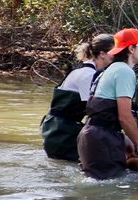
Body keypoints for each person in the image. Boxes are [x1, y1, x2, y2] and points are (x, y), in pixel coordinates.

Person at [77, 27, 138, 180]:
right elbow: (124, 116)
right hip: (102, 140)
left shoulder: (110, 69)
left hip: (90, 137)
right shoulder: (124, 72)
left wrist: (124, 138)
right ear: (131, 49)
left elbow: (102, 115)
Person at [40, 33, 116, 161]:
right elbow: (91, 109)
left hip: (57, 129)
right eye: (114, 52)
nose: (116, 56)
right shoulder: (88, 75)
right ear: (102, 54)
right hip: (60, 133)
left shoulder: (81, 71)